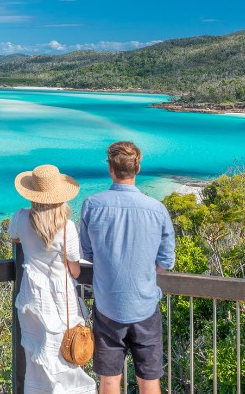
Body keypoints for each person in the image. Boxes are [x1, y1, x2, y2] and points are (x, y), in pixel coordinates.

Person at [80, 141, 176, 394]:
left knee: (109, 379)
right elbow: (165, 261)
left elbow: (87, 253)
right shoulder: (157, 209)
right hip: (144, 305)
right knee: (149, 380)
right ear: (138, 168)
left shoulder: (92, 204)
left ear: (110, 168)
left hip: (107, 306)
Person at [11, 164, 97, 394]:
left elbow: (15, 238)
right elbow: (76, 271)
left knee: (35, 360)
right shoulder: (67, 227)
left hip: (31, 300)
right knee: (64, 359)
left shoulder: (19, 217)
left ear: (32, 193)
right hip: (61, 302)